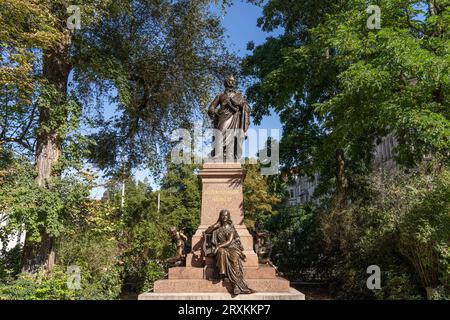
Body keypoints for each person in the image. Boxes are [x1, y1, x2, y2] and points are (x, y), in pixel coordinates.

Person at [204, 209, 254, 295]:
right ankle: (223, 274)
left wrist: (219, 246)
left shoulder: (231, 228)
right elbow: (207, 232)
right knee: (221, 252)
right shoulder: (218, 228)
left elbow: (230, 241)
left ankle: (236, 285)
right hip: (223, 249)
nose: (224, 217)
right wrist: (215, 225)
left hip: (231, 247)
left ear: (229, 217)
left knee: (234, 259)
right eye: (222, 215)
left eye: (226, 215)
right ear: (220, 216)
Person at [208, 75, 251, 162]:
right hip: (222, 117)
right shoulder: (220, 95)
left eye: (233, 81)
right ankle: (218, 155)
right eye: (230, 80)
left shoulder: (239, 96)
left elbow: (247, 108)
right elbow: (212, 107)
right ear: (226, 82)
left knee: (233, 137)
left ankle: (230, 156)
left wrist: (243, 105)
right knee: (220, 134)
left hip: (235, 118)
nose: (231, 82)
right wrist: (212, 111)